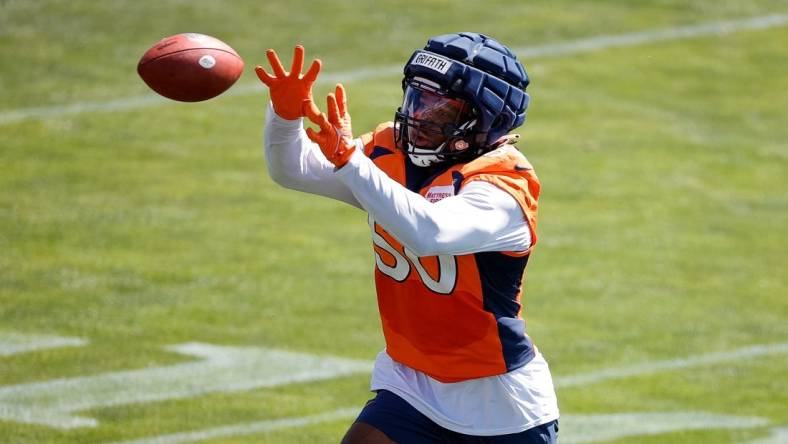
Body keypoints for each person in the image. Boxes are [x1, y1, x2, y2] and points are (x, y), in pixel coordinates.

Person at [256, 32, 559, 444]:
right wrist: (285, 115)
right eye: (418, 98)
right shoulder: (388, 151)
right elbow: (292, 170)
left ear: (488, 120)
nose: (421, 116)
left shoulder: (505, 183)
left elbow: (429, 232)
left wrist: (350, 163)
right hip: (410, 382)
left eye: (443, 108)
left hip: (498, 403)